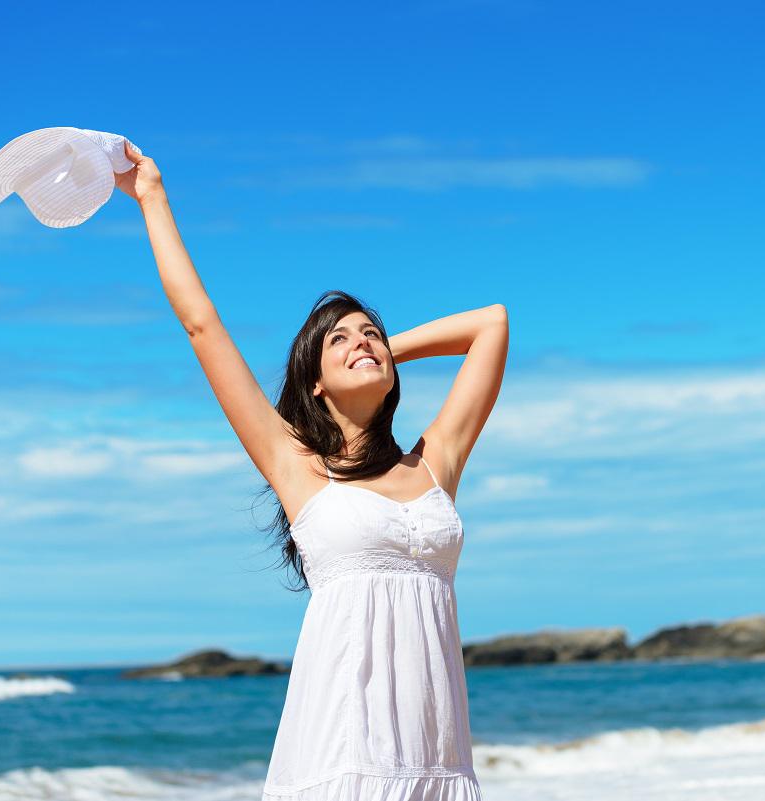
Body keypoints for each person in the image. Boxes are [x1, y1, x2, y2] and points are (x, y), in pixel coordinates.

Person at [116, 141, 508, 800]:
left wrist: (380, 354)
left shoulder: (435, 461)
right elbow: (202, 326)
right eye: (341, 338)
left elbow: (490, 325)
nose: (362, 340)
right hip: (342, 756)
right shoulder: (297, 467)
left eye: (369, 332)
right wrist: (151, 196)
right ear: (313, 381)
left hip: (439, 762)